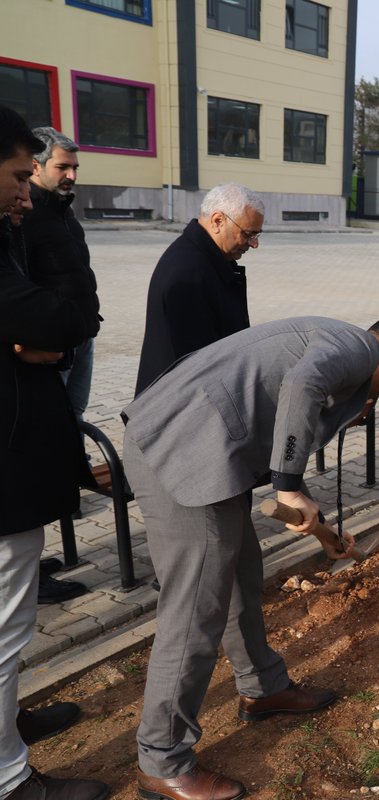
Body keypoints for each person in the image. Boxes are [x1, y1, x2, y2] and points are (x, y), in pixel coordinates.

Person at [122, 315, 379, 800]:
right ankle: (162, 758)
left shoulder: (336, 336)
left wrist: (322, 533)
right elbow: (304, 384)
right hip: (181, 453)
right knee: (195, 612)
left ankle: (262, 687)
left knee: (241, 572)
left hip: (201, 448)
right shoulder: (360, 350)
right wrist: (287, 484)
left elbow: (293, 397)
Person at [0, 103, 108, 800]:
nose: (26, 189)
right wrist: (51, 319)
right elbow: (69, 315)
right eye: (17, 175)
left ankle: (7, 725)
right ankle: (10, 779)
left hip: (17, 453)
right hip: (6, 469)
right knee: (5, 626)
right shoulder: (16, 234)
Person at [16, 128, 97, 605]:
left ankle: (31, 554)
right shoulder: (25, 215)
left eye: (74, 168)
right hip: (48, 351)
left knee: (71, 428)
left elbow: (73, 273)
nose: (70, 176)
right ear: (37, 167)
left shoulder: (63, 212)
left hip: (79, 339)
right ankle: (28, 571)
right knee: (44, 446)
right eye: (62, 167)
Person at [134, 183, 264, 395]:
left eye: (257, 235)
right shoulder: (188, 273)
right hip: (178, 409)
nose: (254, 244)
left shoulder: (205, 258)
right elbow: (200, 365)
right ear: (218, 221)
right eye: (249, 234)